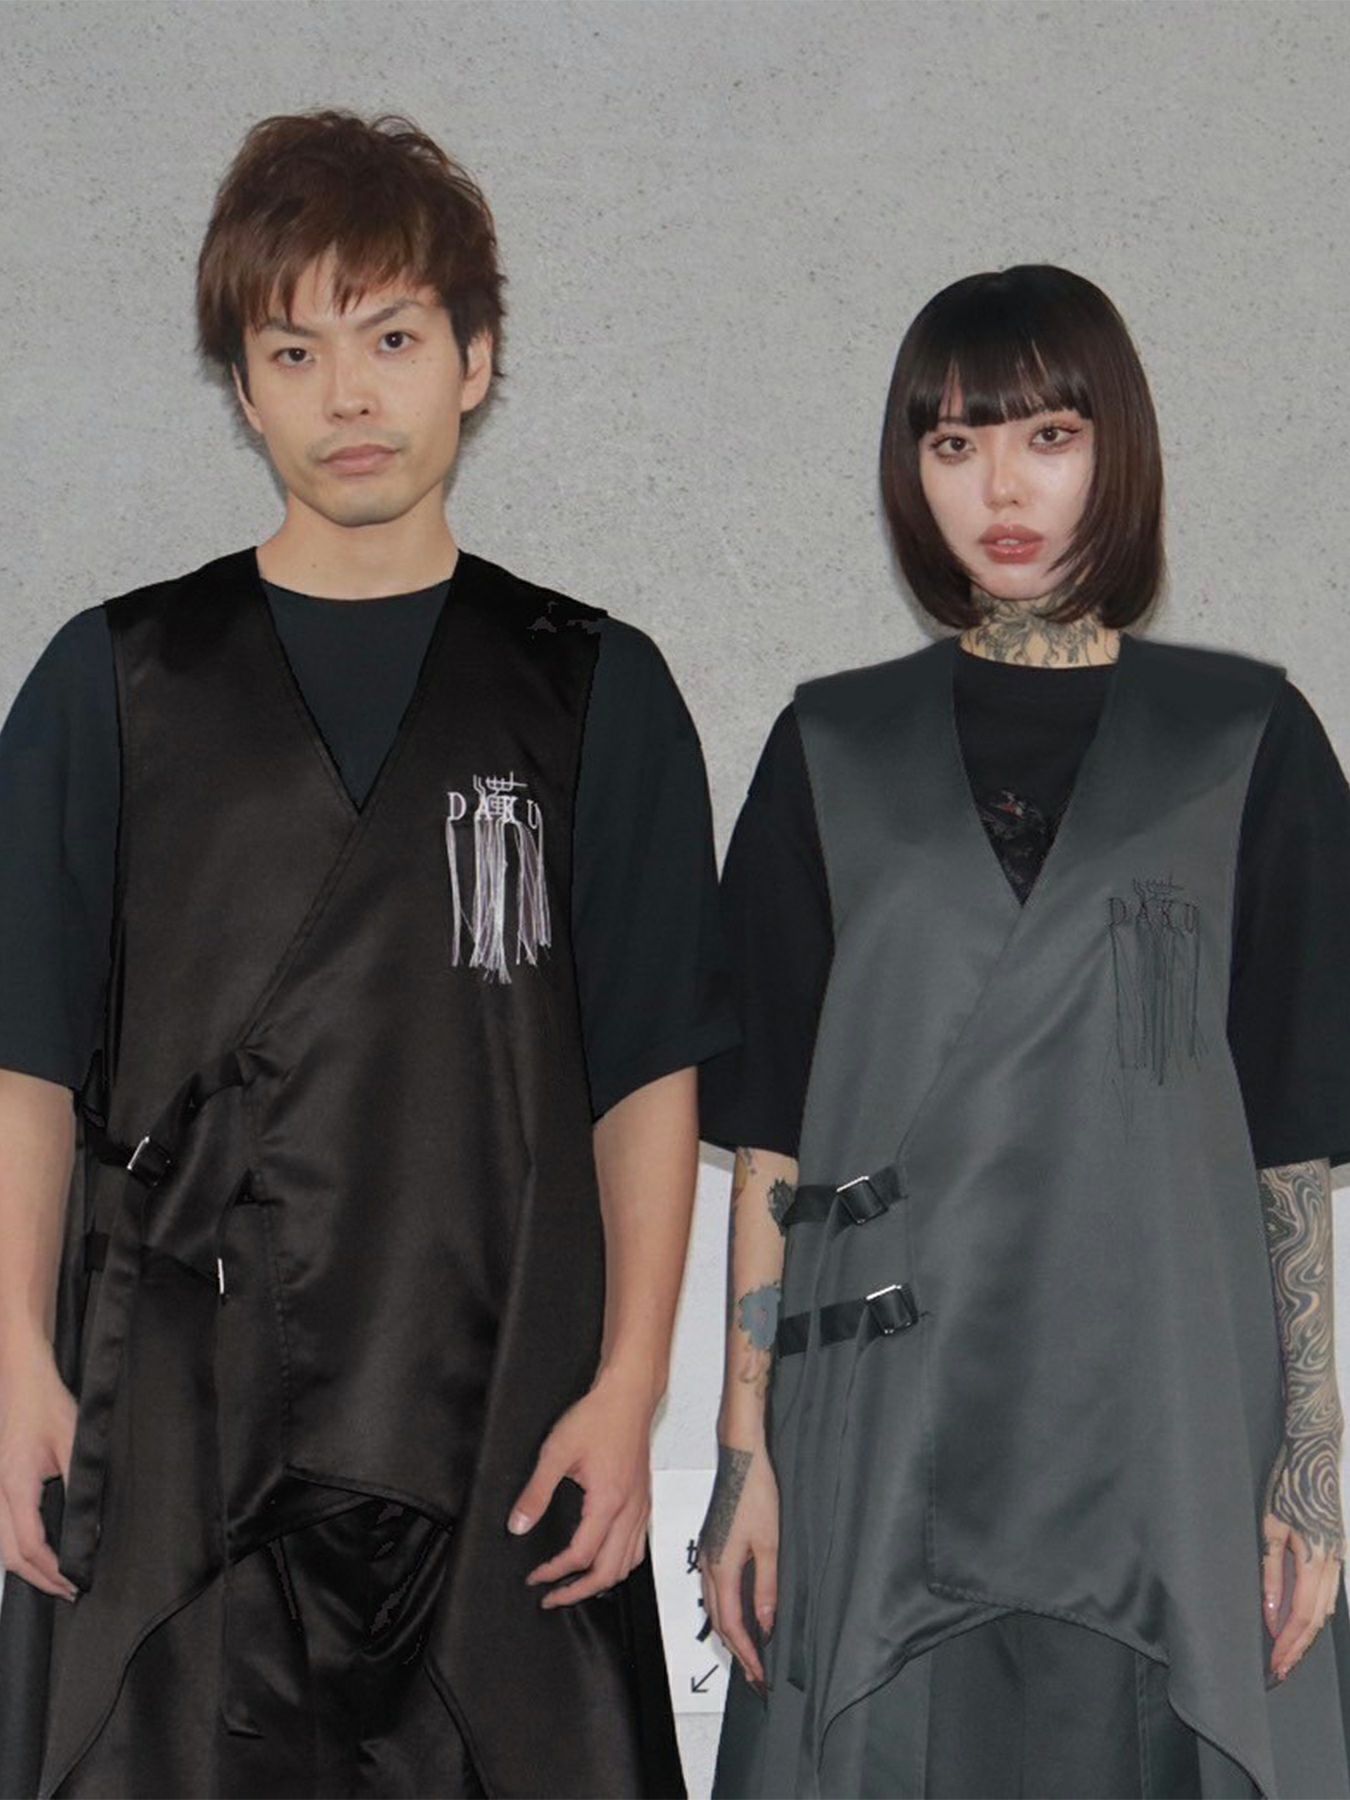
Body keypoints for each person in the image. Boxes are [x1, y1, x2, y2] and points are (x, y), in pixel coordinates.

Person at [0, 108, 735, 1799]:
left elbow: (645, 1074)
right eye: (295, 350)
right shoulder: (112, 684)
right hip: (174, 1428)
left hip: (495, 1411)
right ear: (242, 390)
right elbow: (27, 1054)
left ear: (473, 362)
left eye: (393, 339)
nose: (348, 395)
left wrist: (630, 1388)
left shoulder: (591, 691)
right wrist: (18, 1361)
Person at [697, 263, 1350, 1798]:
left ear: (1115, 448)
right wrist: (744, 1452)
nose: (999, 488)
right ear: (908, 473)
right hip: (884, 1416)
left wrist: (1310, 1464)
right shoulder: (827, 750)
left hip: (1166, 1414)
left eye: (1046, 436)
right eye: (952, 443)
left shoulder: (1244, 742)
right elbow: (770, 1134)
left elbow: (1292, 1141)